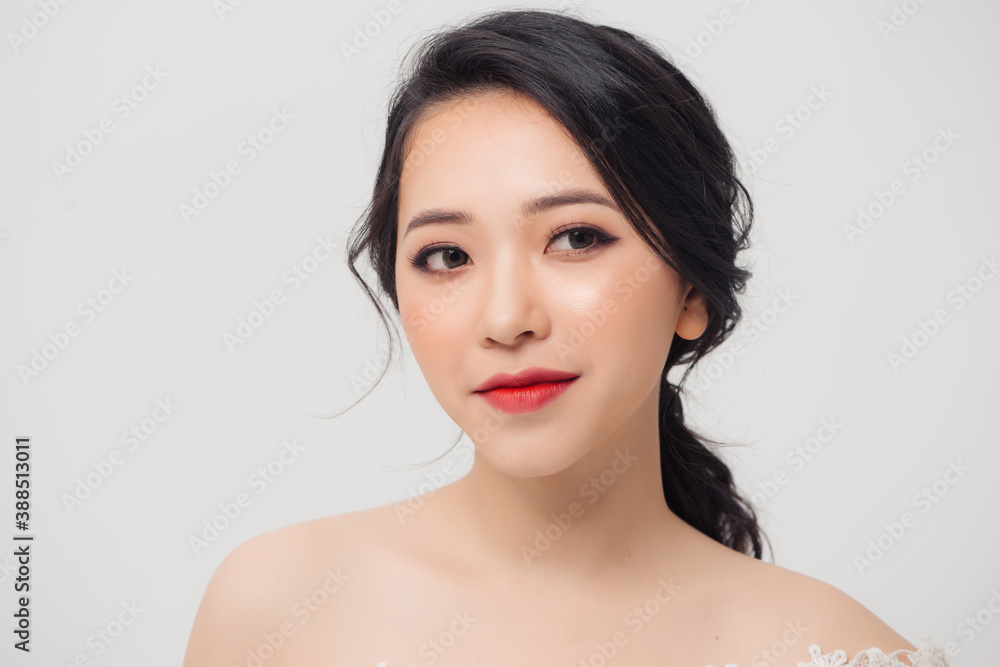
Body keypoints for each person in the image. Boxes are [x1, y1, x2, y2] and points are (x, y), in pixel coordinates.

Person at [183, 9, 949, 667]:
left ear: (690, 288)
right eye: (446, 255)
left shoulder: (829, 647)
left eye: (576, 237)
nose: (507, 317)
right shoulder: (279, 607)